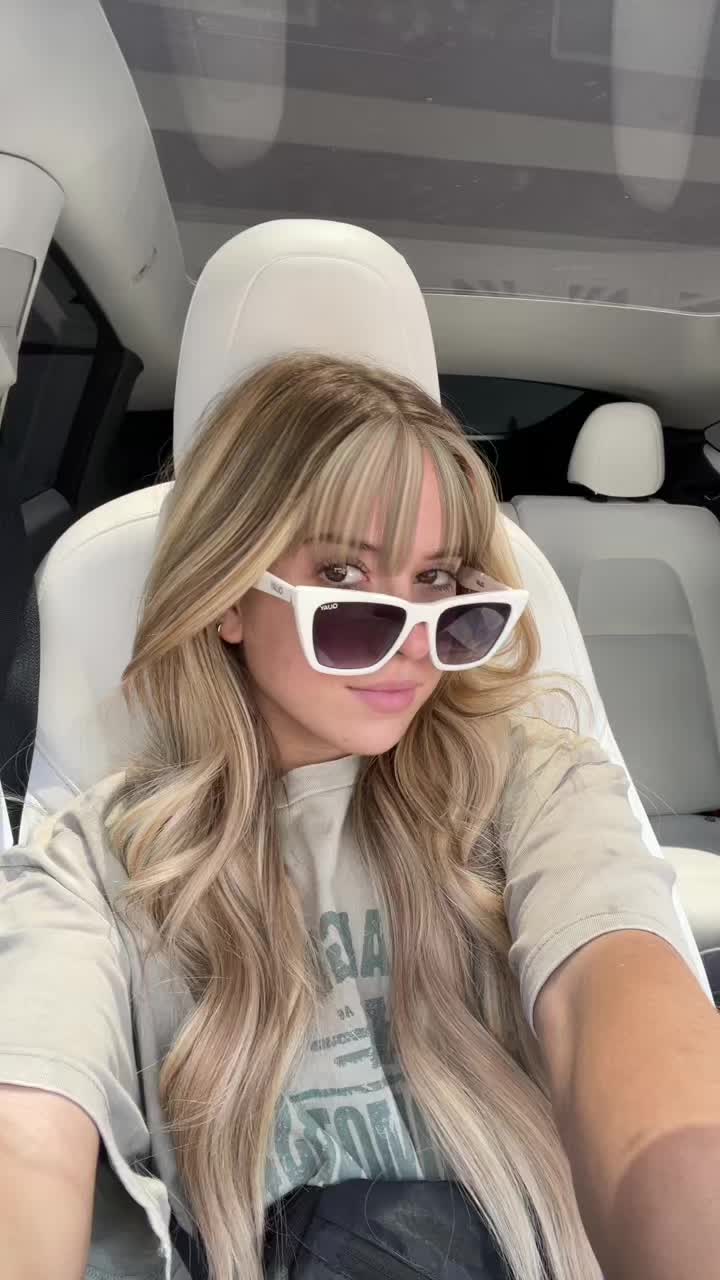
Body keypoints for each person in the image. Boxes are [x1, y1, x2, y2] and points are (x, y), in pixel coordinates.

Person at [1, 353, 719, 1280]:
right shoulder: (100, 858)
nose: (414, 642)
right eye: (344, 577)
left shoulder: (532, 780)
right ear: (230, 596)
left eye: (441, 583)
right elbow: (28, 1122)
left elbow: (615, 1001)